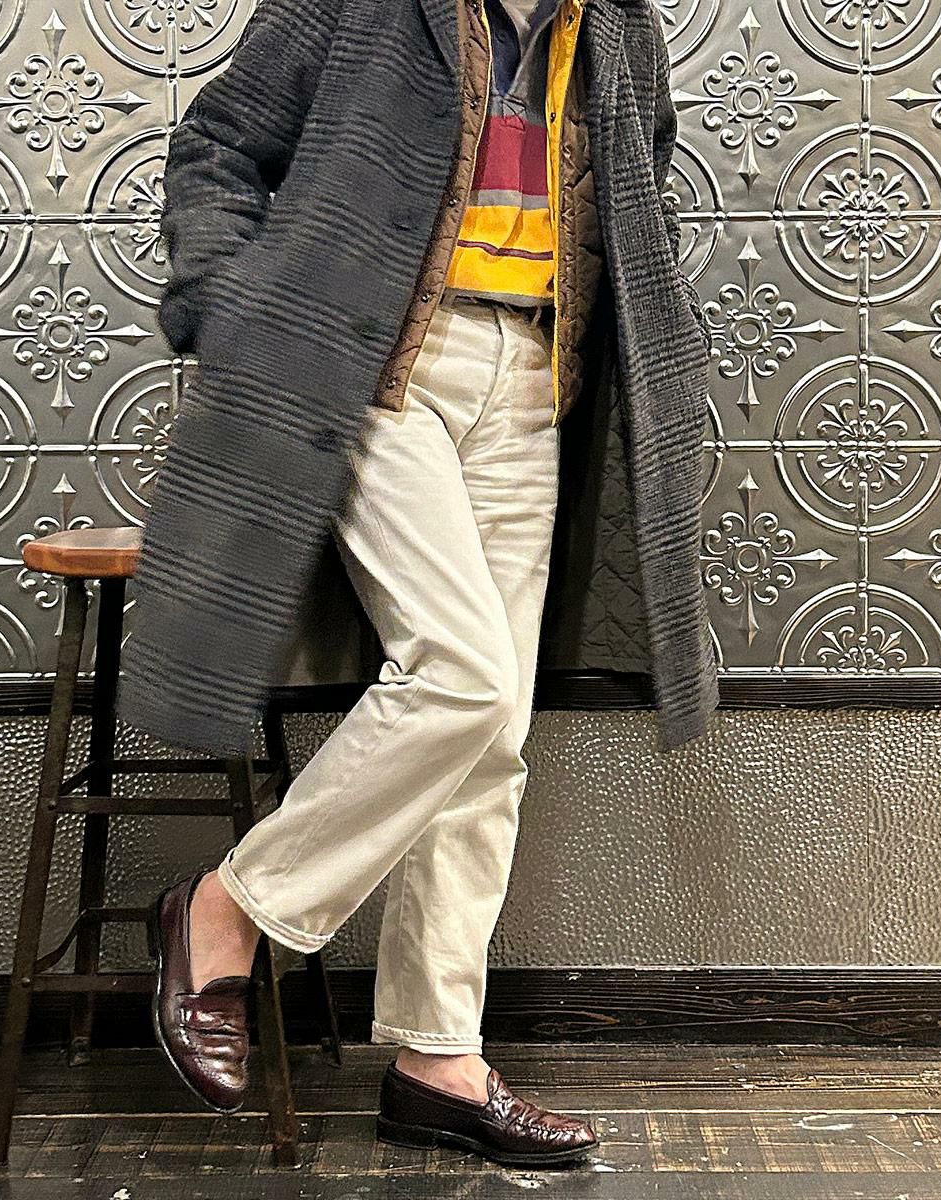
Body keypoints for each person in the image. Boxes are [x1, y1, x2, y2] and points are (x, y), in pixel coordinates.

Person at [133, 0, 715, 1171]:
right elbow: (217, 149)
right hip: (379, 361)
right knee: (461, 675)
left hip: (533, 371)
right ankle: (226, 911)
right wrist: (240, 319)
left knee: (491, 735)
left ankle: (437, 1059)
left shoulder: (616, 26)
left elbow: (634, 189)